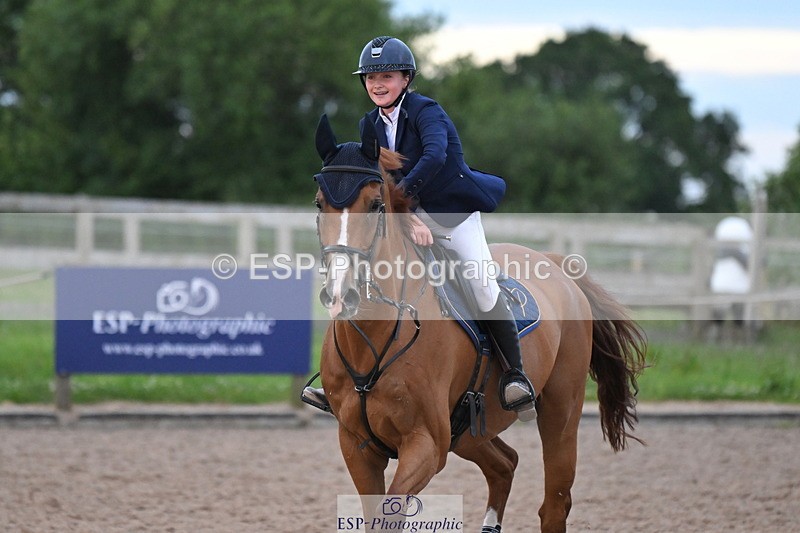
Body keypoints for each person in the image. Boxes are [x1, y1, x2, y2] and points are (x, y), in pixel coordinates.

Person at [303, 36, 535, 420]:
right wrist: (403, 215)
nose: (377, 84)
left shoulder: (427, 111)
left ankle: (515, 376)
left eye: (387, 76)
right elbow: (377, 182)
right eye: (370, 78)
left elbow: (434, 157)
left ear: (406, 79)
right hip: (405, 215)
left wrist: (404, 206)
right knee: (359, 278)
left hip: (451, 215)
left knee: (478, 283)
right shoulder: (369, 124)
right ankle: (339, 380)